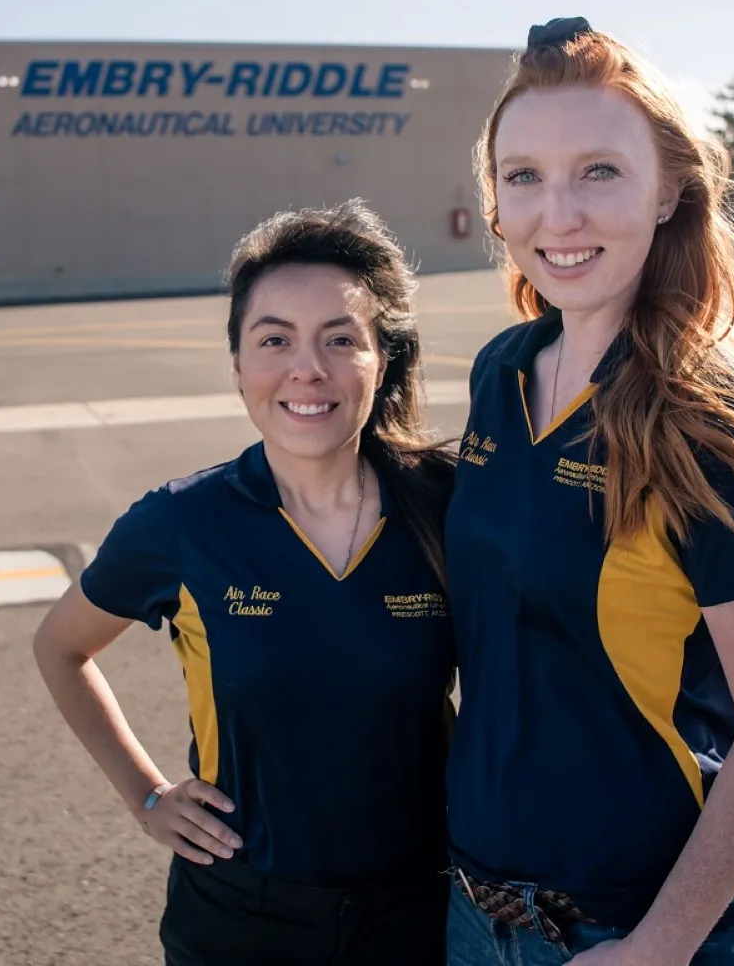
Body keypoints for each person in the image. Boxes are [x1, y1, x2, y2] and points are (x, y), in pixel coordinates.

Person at [441, 17, 734, 966]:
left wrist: (660, 944)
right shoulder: (502, 370)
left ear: (668, 194)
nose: (556, 215)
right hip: (475, 917)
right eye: (523, 175)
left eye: (598, 171)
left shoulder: (712, 420)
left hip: (632, 933)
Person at [32, 199, 459, 966]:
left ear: (381, 360)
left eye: (340, 339)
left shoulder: (444, 506)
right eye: (275, 340)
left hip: (420, 914)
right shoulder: (182, 523)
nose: (308, 369)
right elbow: (60, 649)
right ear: (238, 367)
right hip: (241, 919)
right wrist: (148, 797)